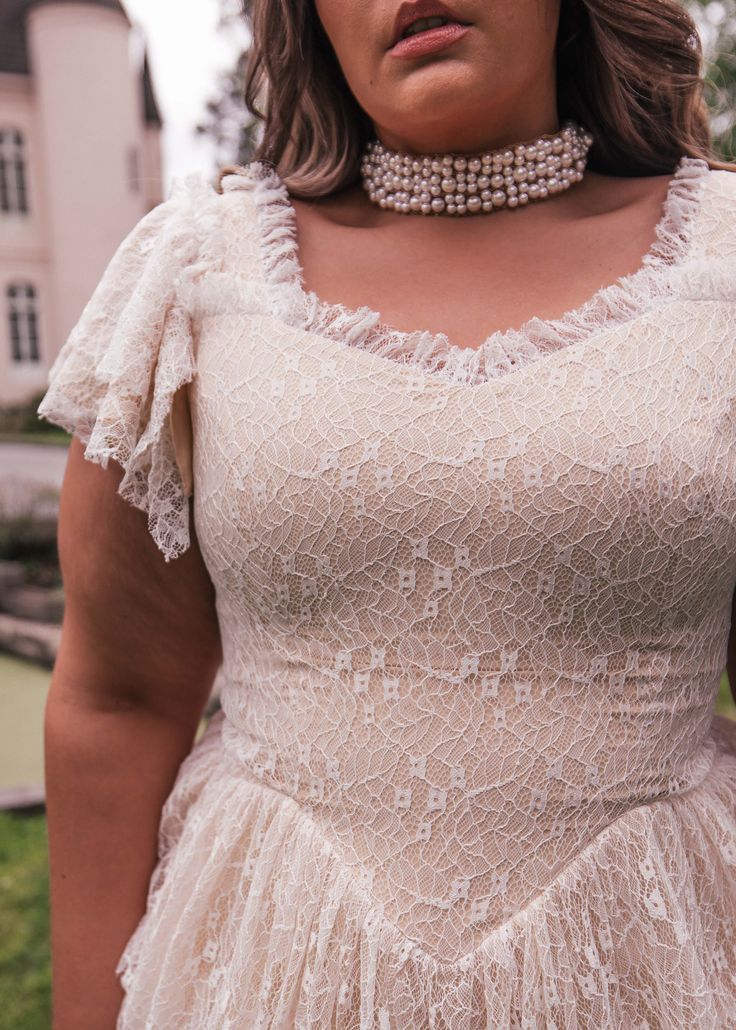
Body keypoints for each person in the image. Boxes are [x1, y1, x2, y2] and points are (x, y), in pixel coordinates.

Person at [37, 0, 736, 1026]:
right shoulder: (196, 278)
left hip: (655, 970)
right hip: (264, 972)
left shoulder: (721, 274)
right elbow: (119, 700)